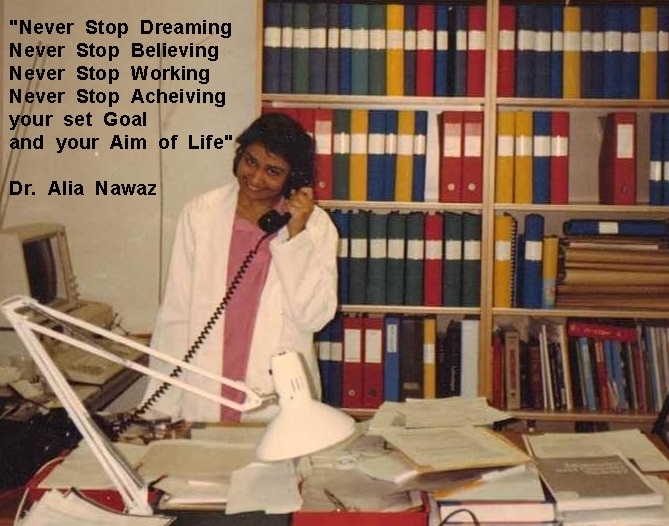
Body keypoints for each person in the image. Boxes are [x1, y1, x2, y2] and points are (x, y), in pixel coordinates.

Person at [141, 113, 339, 423]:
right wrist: (160, 407)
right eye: (250, 161)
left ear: (293, 178)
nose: (256, 178)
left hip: (276, 392)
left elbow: (313, 316)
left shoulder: (315, 227)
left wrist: (295, 237)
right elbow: (176, 315)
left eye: (273, 171)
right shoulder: (201, 214)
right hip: (205, 382)